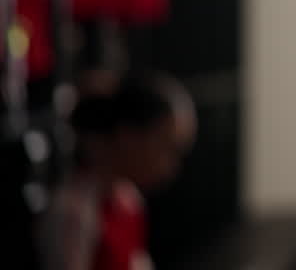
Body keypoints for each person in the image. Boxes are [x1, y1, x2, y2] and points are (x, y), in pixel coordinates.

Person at [40, 74, 196, 270]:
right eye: (167, 148)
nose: (172, 165)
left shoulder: (129, 201)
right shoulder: (74, 212)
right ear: (128, 135)